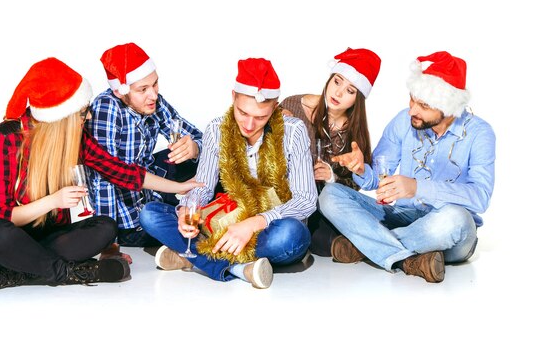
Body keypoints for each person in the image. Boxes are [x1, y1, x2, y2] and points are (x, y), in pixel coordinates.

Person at [0, 57, 200, 295]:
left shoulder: (75, 139)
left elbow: (122, 172)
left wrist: (179, 186)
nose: (89, 117)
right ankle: (75, 273)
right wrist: (53, 201)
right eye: (83, 112)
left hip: (41, 240)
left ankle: (7, 277)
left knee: (105, 227)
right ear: (61, 118)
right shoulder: (4, 138)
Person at [319, 51, 496, 283]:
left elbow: (480, 198)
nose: (412, 110)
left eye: (423, 105)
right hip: (402, 215)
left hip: (444, 226)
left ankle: (366, 246)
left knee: (455, 220)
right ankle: (409, 260)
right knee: (330, 195)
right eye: (412, 99)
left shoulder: (479, 133)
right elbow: (377, 179)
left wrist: (416, 187)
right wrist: (361, 169)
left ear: (449, 107)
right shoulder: (404, 121)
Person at [140, 57, 317, 289]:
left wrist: (254, 223)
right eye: (243, 113)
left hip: (271, 227)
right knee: (150, 214)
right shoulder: (216, 129)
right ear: (233, 97)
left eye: (261, 117)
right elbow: (202, 186)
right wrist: (187, 211)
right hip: (226, 221)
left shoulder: (293, 131)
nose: (250, 125)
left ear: (274, 107)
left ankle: (192, 257)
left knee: (291, 236)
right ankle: (236, 268)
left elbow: (306, 200)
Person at [86, 43, 203, 259]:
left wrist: (194, 148)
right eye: (143, 89)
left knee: (212, 161)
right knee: (158, 219)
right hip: (128, 219)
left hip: (151, 192)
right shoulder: (107, 108)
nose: (153, 95)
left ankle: (207, 216)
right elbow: (104, 178)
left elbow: (199, 137)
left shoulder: (152, 102)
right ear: (120, 91)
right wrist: (109, 244)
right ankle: (190, 236)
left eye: (155, 83)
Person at [280, 47, 381, 256]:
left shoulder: (354, 134)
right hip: (286, 196)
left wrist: (332, 177)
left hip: (322, 206)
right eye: (337, 81)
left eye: (350, 91)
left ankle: (350, 246)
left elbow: (353, 189)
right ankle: (347, 246)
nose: (338, 93)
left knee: (327, 217)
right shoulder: (293, 106)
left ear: (358, 99)